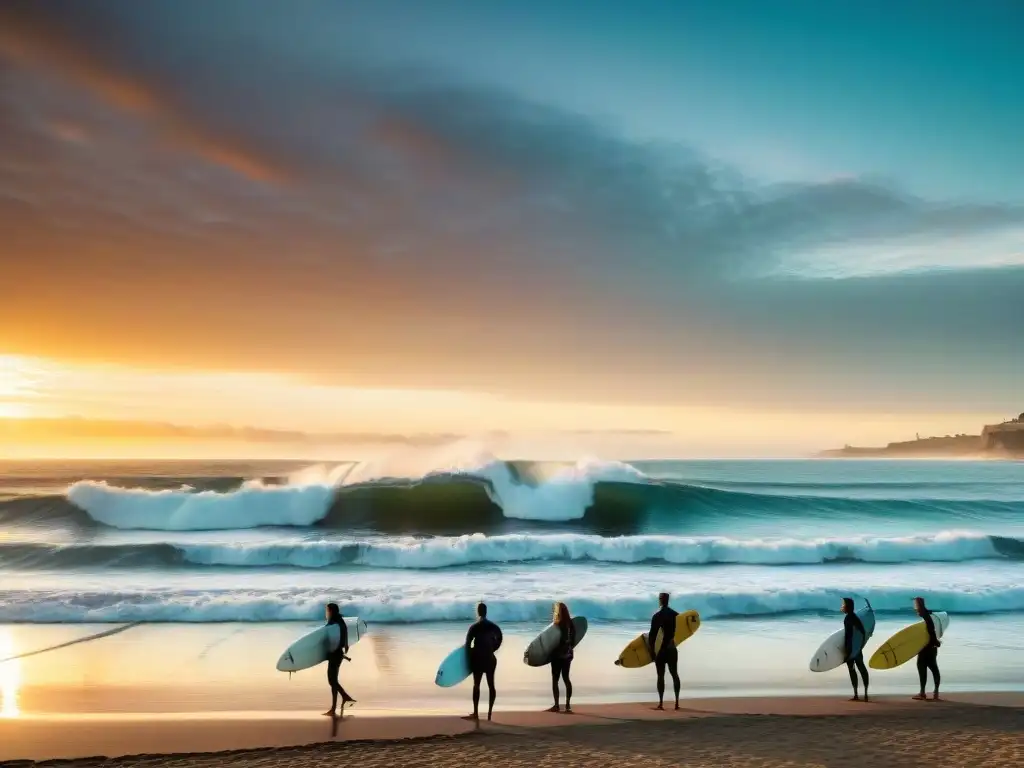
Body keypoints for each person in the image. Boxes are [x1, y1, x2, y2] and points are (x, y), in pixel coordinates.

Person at [464, 602, 503, 721]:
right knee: (491, 685)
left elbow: (467, 644)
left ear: (478, 612)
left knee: (477, 685)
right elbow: (500, 638)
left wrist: (470, 657)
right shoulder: (493, 626)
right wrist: (493, 648)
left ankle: (476, 713)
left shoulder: (474, 627)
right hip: (490, 659)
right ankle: (489, 714)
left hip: (478, 659)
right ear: (486, 612)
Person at [649, 592, 680, 710]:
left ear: (660, 600)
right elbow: (682, 630)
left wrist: (652, 652)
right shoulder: (675, 615)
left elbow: (652, 636)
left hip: (661, 650)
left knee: (660, 676)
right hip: (672, 648)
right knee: (675, 674)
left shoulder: (657, 616)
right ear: (668, 600)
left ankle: (661, 703)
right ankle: (677, 703)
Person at [322, 603, 355, 716]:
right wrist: (343, 652)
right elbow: (345, 641)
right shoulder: (341, 622)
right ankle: (343, 698)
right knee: (333, 681)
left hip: (334, 654)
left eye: (327, 610)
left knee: (332, 681)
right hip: (338, 654)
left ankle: (336, 705)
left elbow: (327, 638)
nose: (326, 612)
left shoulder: (332, 624)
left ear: (331, 611)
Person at [547, 602, 575, 713]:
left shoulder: (557, 625)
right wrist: (569, 651)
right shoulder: (571, 624)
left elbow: (555, 641)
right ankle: (568, 705)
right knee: (566, 679)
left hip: (557, 656)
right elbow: (573, 641)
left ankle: (557, 706)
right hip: (568, 656)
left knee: (555, 680)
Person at [913, 597, 941, 701]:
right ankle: (936, 691)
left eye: (915, 605)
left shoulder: (925, 615)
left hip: (926, 647)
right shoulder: (927, 613)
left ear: (918, 605)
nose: (914, 607)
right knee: (933, 667)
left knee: (922, 667)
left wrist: (934, 641)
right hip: (931, 647)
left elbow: (931, 629)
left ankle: (922, 692)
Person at [841, 597, 869, 701]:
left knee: (854, 670)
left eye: (843, 605)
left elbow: (852, 635)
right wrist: (859, 645)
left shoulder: (850, 618)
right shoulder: (852, 617)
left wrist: (851, 649)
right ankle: (864, 694)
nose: (842, 606)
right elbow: (862, 632)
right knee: (860, 669)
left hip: (852, 649)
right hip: (856, 648)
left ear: (847, 607)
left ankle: (858, 694)